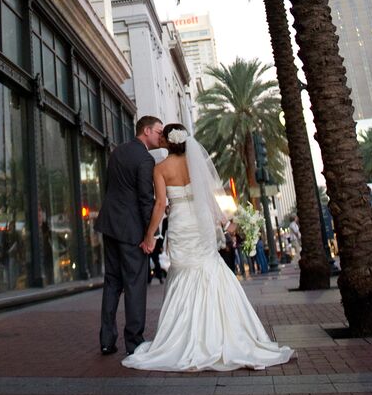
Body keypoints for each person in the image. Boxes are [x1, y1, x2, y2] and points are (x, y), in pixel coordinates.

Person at [122, 124, 294, 372]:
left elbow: (160, 204)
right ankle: (223, 333)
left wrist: (150, 235)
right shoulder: (195, 165)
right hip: (200, 225)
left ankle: (186, 336)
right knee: (211, 269)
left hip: (181, 224)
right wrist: (226, 223)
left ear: (168, 143)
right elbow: (211, 199)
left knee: (184, 275)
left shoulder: (160, 169)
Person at [95, 115, 164, 355]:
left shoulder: (117, 152)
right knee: (135, 284)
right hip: (131, 230)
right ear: (146, 131)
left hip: (109, 224)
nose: (160, 136)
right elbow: (146, 200)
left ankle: (106, 340)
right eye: (158, 132)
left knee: (112, 282)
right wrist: (150, 234)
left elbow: (109, 187)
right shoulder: (145, 159)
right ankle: (134, 341)